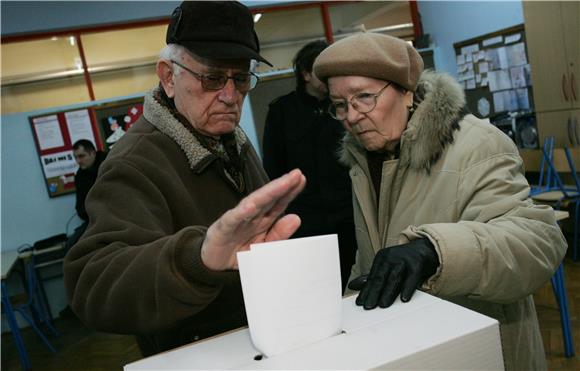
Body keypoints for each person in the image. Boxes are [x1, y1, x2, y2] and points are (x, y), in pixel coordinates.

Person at [64, 1, 305, 357]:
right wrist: (197, 260)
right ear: (167, 77)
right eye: (212, 78)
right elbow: (93, 285)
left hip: (261, 343)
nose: (230, 95)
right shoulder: (134, 162)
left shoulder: (230, 140)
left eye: (240, 78)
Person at [313, 32, 567, 370]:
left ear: (405, 91)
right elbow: (369, 258)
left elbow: (537, 244)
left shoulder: (476, 145)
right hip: (415, 349)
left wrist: (435, 251)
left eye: (364, 97)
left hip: (482, 351)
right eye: (340, 104)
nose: (352, 115)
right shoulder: (362, 159)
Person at [262, 40, 357, 292]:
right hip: (304, 219)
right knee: (315, 286)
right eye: (321, 69)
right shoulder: (281, 112)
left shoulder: (344, 107)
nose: (328, 75)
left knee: (352, 281)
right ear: (305, 73)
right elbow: (272, 168)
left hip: (346, 214)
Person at [68, 139, 106, 247]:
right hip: (94, 220)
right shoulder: (80, 177)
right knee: (72, 244)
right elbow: (80, 206)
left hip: (120, 214)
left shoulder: (110, 163)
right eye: (75, 157)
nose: (78, 161)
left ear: (92, 153)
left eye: (81, 156)